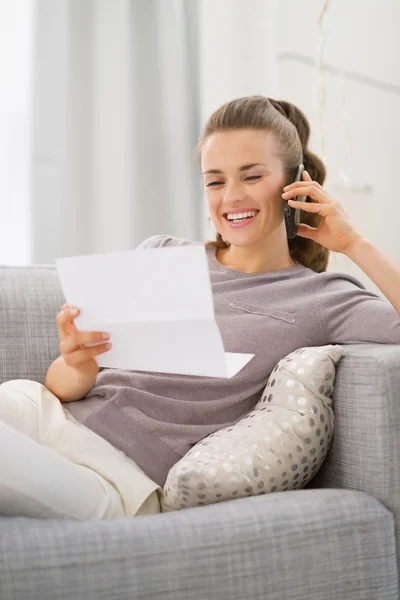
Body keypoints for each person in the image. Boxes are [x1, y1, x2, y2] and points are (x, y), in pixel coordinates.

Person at [1, 95, 400, 521]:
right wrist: (75, 364)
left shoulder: (325, 298)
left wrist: (355, 244)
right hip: (42, 414)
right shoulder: (162, 254)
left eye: (251, 176)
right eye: (214, 181)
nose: (231, 197)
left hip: (116, 477)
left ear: (295, 184)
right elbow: (62, 387)